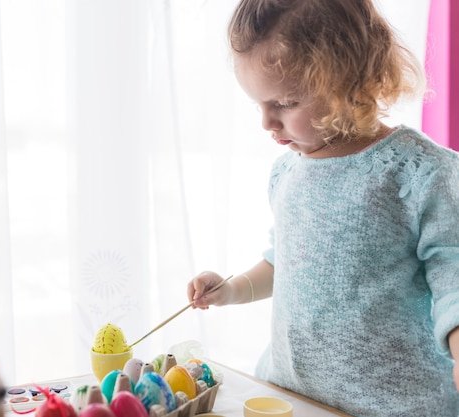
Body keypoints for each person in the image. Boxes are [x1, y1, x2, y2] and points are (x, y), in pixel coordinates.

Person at [186, 0, 459, 416]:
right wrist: (234, 288)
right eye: (258, 105)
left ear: (351, 81)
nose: (267, 123)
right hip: (292, 396)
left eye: (285, 103)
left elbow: (453, 278)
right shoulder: (286, 174)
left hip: (395, 405)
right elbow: (285, 264)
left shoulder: (420, 173)